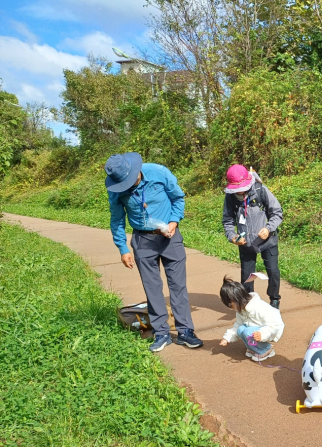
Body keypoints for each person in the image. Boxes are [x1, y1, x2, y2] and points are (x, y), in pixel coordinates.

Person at [105, 152, 203, 353]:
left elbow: (178, 198)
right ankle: (161, 333)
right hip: (142, 240)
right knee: (152, 288)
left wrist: (174, 222)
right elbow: (117, 220)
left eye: (130, 181)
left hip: (170, 237)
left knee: (178, 285)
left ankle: (185, 331)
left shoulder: (159, 172)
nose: (129, 186)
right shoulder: (116, 189)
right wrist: (123, 249)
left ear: (136, 171)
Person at [221, 165, 283, 309]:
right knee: (246, 277)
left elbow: (277, 213)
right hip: (246, 244)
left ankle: (274, 300)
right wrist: (232, 236)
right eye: (236, 189)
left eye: (241, 187)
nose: (239, 191)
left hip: (268, 241)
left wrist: (268, 229)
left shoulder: (260, 190)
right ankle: (249, 304)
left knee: (273, 271)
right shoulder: (230, 197)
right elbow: (227, 221)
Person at [218, 276, 285, 362]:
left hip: (271, 329)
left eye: (231, 305)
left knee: (247, 332)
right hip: (256, 329)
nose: (231, 308)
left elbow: (274, 324)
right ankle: (253, 349)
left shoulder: (259, 307)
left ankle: (266, 349)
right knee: (241, 329)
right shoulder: (240, 309)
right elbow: (238, 325)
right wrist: (228, 337)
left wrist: (262, 334)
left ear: (236, 299)